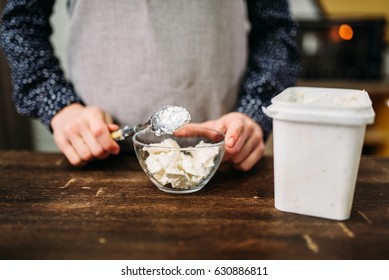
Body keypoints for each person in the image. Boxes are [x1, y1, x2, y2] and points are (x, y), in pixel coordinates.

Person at [0, 0, 300, 170]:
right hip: (99, 163)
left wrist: (252, 115)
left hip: (219, 164)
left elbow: (276, 31)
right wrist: (59, 105)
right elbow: (20, 23)